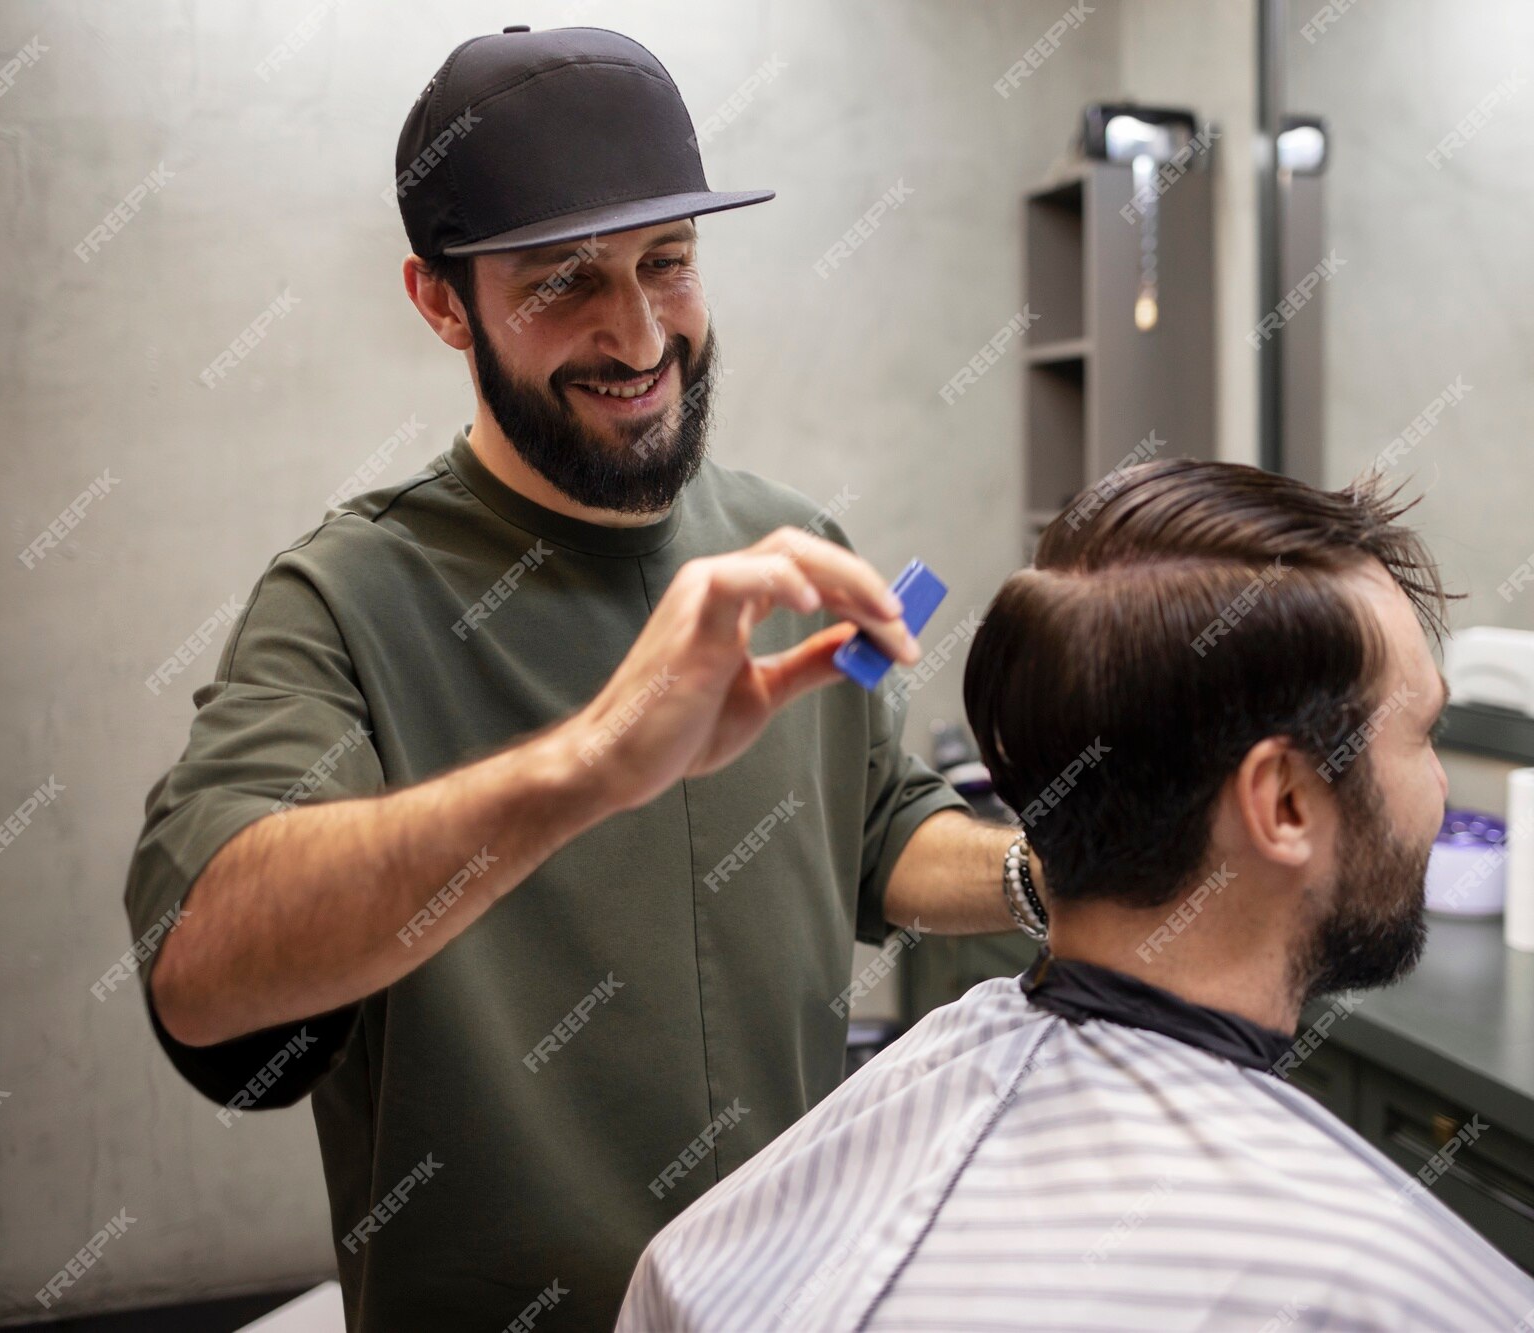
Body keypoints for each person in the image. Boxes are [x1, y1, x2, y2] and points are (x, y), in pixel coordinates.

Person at [121, 27, 1034, 1329]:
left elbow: (878, 824)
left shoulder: (790, 546)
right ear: (442, 302)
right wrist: (591, 763)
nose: (640, 331)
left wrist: (1040, 877)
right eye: (566, 284)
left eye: (669, 261)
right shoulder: (344, 599)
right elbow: (201, 966)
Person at [619, 458, 1534, 1331]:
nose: (1440, 789)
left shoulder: (711, 1247)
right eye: (1420, 734)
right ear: (1283, 800)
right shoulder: (1367, 1278)